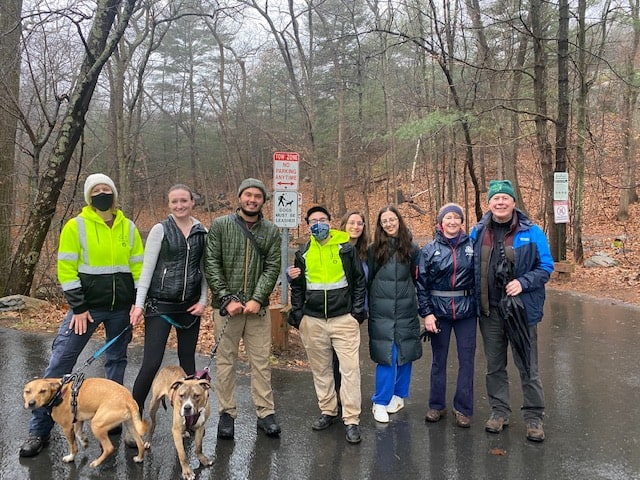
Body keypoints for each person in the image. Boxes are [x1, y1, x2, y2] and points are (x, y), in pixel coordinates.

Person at [19, 173, 144, 457]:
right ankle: (39, 430)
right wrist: (77, 306)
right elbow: (66, 268)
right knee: (61, 363)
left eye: (106, 189)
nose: (102, 194)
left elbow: (139, 268)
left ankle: (110, 415)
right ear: (89, 197)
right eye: (96, 190)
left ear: (114, 193)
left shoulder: (129, 227)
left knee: (117, 361)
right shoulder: (76, 226)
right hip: (85, 309)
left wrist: (137, 303)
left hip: (121, 309)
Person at [469, 180, 554, 442]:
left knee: (528, 366)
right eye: (496, 199)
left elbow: (546, 267)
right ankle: (499, 412)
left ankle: (533, 417)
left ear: (514, 202)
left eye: (506, 198)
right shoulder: (478, 231)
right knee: (494, 366)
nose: (501, 202)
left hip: (521, 312)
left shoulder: (532, 231)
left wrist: (523, 282)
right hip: (490, 311)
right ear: (489, 203)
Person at [204, 178, 282, 439]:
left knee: (261, 362)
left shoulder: (271, 230)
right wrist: (226, 298)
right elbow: (211, 263)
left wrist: (258, 298)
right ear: (240, 197)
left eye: (257, 196)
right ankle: (227, 413)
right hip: (228, 309)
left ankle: (265, 412)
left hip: (257, 310)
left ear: (263, 201)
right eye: (247, 195)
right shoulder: (221, 226)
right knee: (226, 362)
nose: (252, 200)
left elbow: (272, 267)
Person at [288, 206, 367, 444]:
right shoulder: (302, 253)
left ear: (331, 222)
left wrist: (356, 314)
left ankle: (351, 419)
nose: (319, 224)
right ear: (308, 225)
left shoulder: (346, 249)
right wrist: (300, 315)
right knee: (321, 371)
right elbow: (298, 286)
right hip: (312, 321)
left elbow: (358, 282)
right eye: (314, 221)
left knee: (350, 371)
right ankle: (328, 411)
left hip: (343, 319)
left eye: (323, 220)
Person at [131, 184, 208, 416]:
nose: (179, 205)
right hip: (160, 305)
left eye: (184, 200)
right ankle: (134, 413)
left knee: (188, 365)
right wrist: (139, 304)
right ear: (169, 204)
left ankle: (190, 417)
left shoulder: (201, 231)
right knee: (151, 363)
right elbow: (147, 270)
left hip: (190, 306)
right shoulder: (160, 230)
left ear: (192, 202)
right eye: (174, 201)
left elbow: (203, 270)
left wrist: (203, 300)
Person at [416, 203, 477, 428]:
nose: (452, 221)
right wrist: (427, 314)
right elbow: (421, 285)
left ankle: (463, 408)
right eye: (448, 218)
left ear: (462, 222)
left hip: (467, 312)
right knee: (438, 361)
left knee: (467, 361)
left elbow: (480, 280)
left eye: (456, 218)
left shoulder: (472, 247)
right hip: (439, 312)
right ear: (441, 222)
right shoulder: (429, 250)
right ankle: (436, 405)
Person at [367, 205, 422, 423]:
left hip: (406, 310)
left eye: (392, 219)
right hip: (382, 312)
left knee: (405, 354)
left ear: (399, 220)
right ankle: (380, 401)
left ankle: (398, 396)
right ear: (380, 225)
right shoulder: (374, 250)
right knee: (387, 356)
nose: (389, 224)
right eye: (384, 221)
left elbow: (417, 278)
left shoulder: (412, 248)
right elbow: (368, 278)